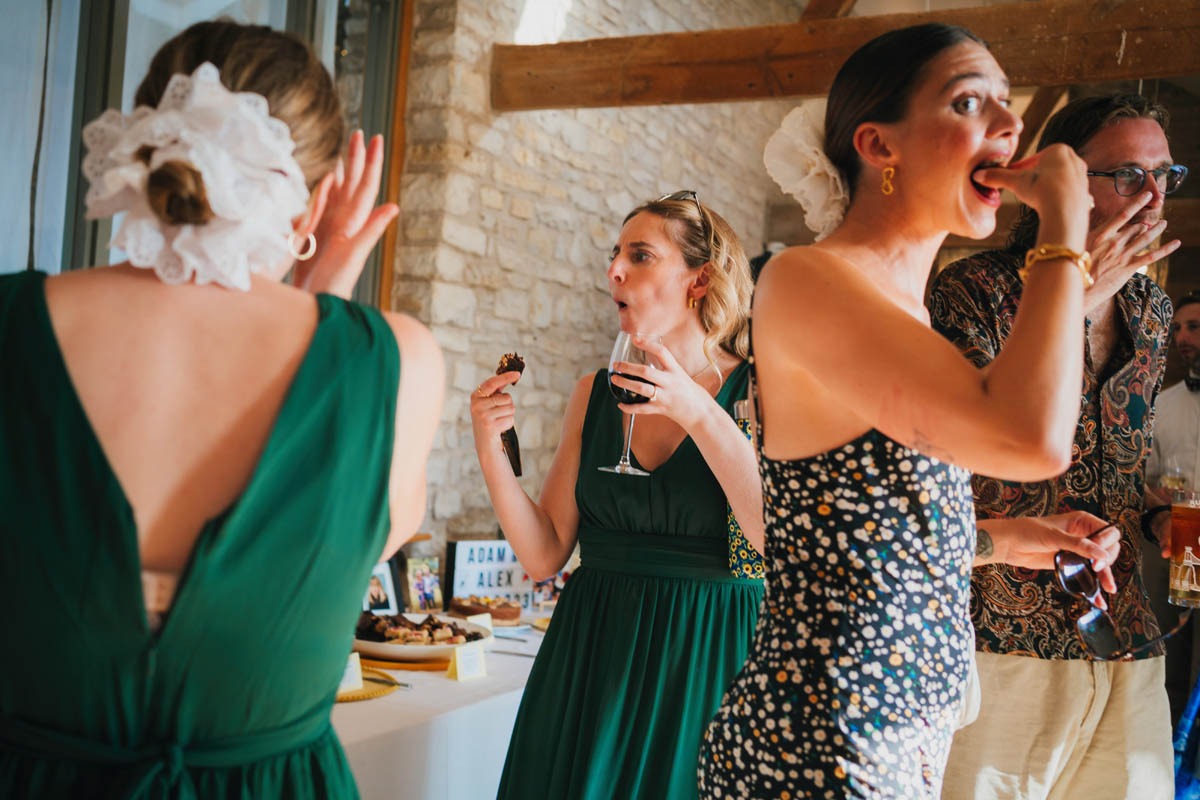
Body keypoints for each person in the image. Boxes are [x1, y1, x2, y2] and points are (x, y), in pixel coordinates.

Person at [0, 20, 443, 798]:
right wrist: (324, 310)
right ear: (314, 199)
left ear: (142, 146)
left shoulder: (10, 325)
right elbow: (355, 544)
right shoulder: (396, 362)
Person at [699, 24, 1112, 798]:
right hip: (820, 747)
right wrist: (1064, 230)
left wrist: (997, 541)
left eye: (1007, 105)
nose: (1007, 123)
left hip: (892, 740)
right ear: (877, 145)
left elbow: (855, 535)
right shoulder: (805, 279)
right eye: (966, 100)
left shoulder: (904, 313)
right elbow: (1030, 437)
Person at [929, 93, 1183, 799]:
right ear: (1063, 182)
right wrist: (1072, 298)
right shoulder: (974, 290)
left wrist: (1158, 518)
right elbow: (974, 432)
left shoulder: (1153, 313)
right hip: (1001, 633)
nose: (1155, 193)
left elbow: (1120, 467)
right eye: (1129, 174)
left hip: (1124, 627)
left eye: (1168, 174)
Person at [471, 192, 764, 799]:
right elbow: (544, 554)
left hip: (708, 655)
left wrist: (696, 411)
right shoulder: (594, 393)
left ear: (698, 279)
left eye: (640, 255)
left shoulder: (759, 391)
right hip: (591, 652)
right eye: (616, 255)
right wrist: (491, 446)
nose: (615, 271)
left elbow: (773, 538)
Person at [1148, 292, 1200, 490]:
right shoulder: (1160, 404)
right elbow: (1148, 480)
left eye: (1193, 326)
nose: (1181, 337)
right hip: (1177, 519)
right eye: (1176, 328)